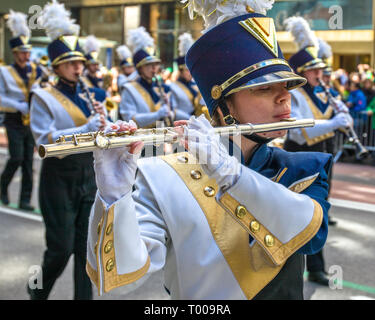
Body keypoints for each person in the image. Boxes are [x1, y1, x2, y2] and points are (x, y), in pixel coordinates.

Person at [86, 0, 331, 300]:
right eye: (264, 88)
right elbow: (121, 280)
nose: (284, 98)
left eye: (286, 86)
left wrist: (230, 172)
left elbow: (312, 236)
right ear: (224, 105)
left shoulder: (306, 168)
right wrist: (115, 198)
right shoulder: (162, 175)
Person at [28, 0, 107, 300]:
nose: (78, 68)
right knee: (59, 250)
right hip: (58, 176)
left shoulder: (95, 93)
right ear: (57, 66)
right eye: (71, 63)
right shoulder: (43, 97)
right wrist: (85, 128)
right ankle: (36, 289)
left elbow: (98, 128)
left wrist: (109, 125)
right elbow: (44, 141)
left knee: (85, 251)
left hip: (88, 174)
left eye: (80, 63)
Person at [283, 16, 351, 286]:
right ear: (301, 71)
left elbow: (333, 126)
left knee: (319, 211)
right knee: (297, 213)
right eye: (313, 71)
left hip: (323, 157)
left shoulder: (325, 93)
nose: (319, 74)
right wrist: (333, 122)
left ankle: (316, 267)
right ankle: (292, 268)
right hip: (299, 157)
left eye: (320, 70)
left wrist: (342, 122)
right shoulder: (295, 94)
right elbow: (300, 130)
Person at [0, 10, 42, 211]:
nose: (26, 55)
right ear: (15, 53)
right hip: (14, 120)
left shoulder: (36, 70)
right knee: (16, 157)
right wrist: (18, 105)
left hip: (31, 121)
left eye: (28, 52)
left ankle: (25, 199)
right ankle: (2, 188)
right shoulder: (4, 71)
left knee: (27, 162)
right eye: (22, 52)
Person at [119, 27, 173, 128]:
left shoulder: (163, 87)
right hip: (141, 139)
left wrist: (168, 109)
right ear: (139, 68)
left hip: (160, 138)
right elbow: (129, 119)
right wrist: (157, 114)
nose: (153, 68)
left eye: (155, 64)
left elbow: (171, 115)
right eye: (148, 65)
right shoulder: (129, 89)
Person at [169, 33, 205, 120]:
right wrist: (190, 118)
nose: (190, 73)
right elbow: (173, 110)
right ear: (180, 71)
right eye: (187, 70)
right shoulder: (171, 87)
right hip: (182, 123)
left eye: (191, 70)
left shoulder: (196, 85)